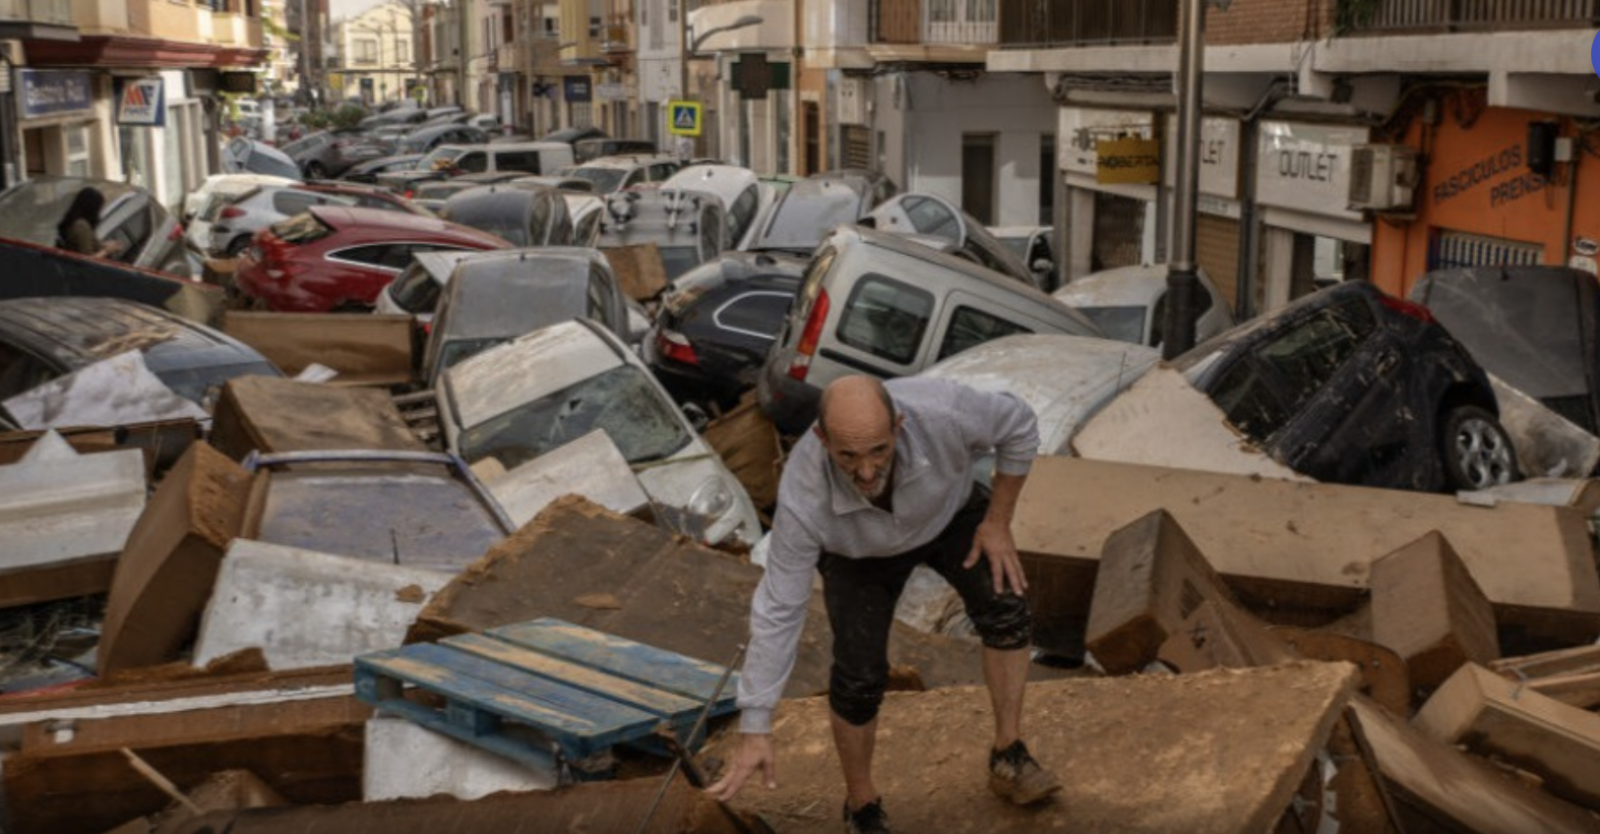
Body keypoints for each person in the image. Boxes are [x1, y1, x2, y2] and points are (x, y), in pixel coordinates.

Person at [708, 375, 1060, 833]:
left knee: (1007, 605)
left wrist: (999, 521)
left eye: (879, 450)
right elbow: (779, 607)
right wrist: (756, 724)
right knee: (859, 677)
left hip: (949, 515)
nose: (868, 472)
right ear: (821, 439)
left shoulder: (946, 413)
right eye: (848, 456)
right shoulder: (803, 495)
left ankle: (1008, 754)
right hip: (858, 555)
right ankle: (862, 807)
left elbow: (1020, 425)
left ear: (898, 426)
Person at [56, 187, 123, 259]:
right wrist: (107, 251)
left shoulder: (74, 222)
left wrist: (103, 245)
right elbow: (88, 259)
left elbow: (81, 243)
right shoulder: (81, 226)